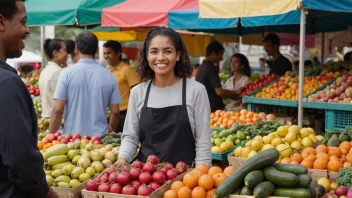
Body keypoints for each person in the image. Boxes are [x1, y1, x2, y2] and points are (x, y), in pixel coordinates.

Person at [117, 27, 212, 167]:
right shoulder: (138, 92)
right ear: (147, 56)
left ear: (178, 55)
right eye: (154, 51)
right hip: (145, 179)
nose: (161, 57)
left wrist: (200, 175)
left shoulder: (196, 90)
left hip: (183, 179)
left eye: (168, 51)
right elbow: (131, 137)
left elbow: (203, 142)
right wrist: (122, 159)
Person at [0, 0, 57, 197]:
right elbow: (21, 159)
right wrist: (46, 192)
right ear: (1, 22)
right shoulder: (7, 84)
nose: (27, 30)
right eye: (23, 22)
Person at [49, 32, 121, 137]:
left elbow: (58, 110)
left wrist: (51, 135)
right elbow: (115, 112)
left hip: (72, 140)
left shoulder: (66, 74)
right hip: (99, 140)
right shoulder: (109, 76)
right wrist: (110, 130)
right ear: (96, 50)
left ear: (76, 49)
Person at [103, 40, 140, 132]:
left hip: (124, 114)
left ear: (118, 53)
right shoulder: (106, 71)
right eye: (104, 53)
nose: (106, 56)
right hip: (109, 114)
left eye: (109, 53)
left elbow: (138, 94)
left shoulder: (127, 70)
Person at [196, 41, 241, 112]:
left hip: (204, 108)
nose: (222, 58)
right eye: (220, 54)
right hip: (213, 109)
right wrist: (235, 93)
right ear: (214, 54)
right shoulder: (210, 68)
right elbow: (220, 92)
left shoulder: (201, 67)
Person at [39, 39, 67, 118]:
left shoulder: (44, 71)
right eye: (64, 50)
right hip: (57, 120)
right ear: (55, 53)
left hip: (46, 117)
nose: (67, 54)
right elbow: (60, 102)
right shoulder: (58, 72)